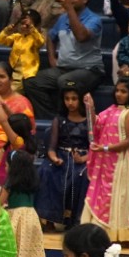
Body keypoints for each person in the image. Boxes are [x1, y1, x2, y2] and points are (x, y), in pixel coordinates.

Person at [81, 77, 129, 243]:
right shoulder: (112, 109)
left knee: (120, 195)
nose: (118, 94)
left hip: (122, 163)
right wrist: (90, 108)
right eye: (117, 90)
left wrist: (105, 148)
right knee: (102, 194)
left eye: (123, 91)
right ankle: (100, 231)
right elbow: (96, 124)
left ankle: (118, 233)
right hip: (107, 162)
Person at [25, 0, 107, 119]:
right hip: (64, 69)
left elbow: (81, 36)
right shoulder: (62, 19)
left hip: (89, 70)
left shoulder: (94, 19)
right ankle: (51, 119)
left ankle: (66, 120)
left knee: (65, 81)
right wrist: (52, 59)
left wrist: (69, 10)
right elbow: (51, 37)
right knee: (32, 82)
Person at [40, 85, 93, 230]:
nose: (70, 102)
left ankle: (75, 220)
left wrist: (83, 159)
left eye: (74, 99)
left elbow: (94, 147)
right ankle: (49, 219)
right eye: (67, 99)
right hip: (61, 156)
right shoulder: (59, 119)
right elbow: (51, 147)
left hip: (83, 157)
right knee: (47, 171)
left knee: (81, 175)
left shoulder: (89, 120)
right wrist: (54, 158)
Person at [4, 140, 50, 257]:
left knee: (12, 248)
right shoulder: (32, 181)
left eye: (7, 164)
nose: (5, 167)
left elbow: (1, 201)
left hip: (16, 217)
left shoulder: (10, 183)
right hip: (32, 217)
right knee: (29, 247)